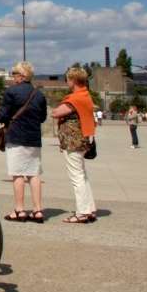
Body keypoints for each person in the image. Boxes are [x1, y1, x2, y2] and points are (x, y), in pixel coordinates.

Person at [0, 61, 47, 223]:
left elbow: (3, 115)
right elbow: (43, 117)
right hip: (34, 138)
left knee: (17, 174)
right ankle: (38, 210)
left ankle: (19, 209)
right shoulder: (38, 94)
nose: (13, 77)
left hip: (16, 136)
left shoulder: (11, 92)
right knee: (34, 174)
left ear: (21, 76)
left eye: (14, 74)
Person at [52, 66, 97, 224]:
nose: (67, 82)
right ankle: (89, 208)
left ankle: (82, 212)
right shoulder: (86, 95)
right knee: (82, 176)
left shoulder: (76, 98)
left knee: (76, 177)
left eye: (68, 79)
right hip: (82, 139)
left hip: (73, 141)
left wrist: (55, 110)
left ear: (73, 80)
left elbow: (56, 113)